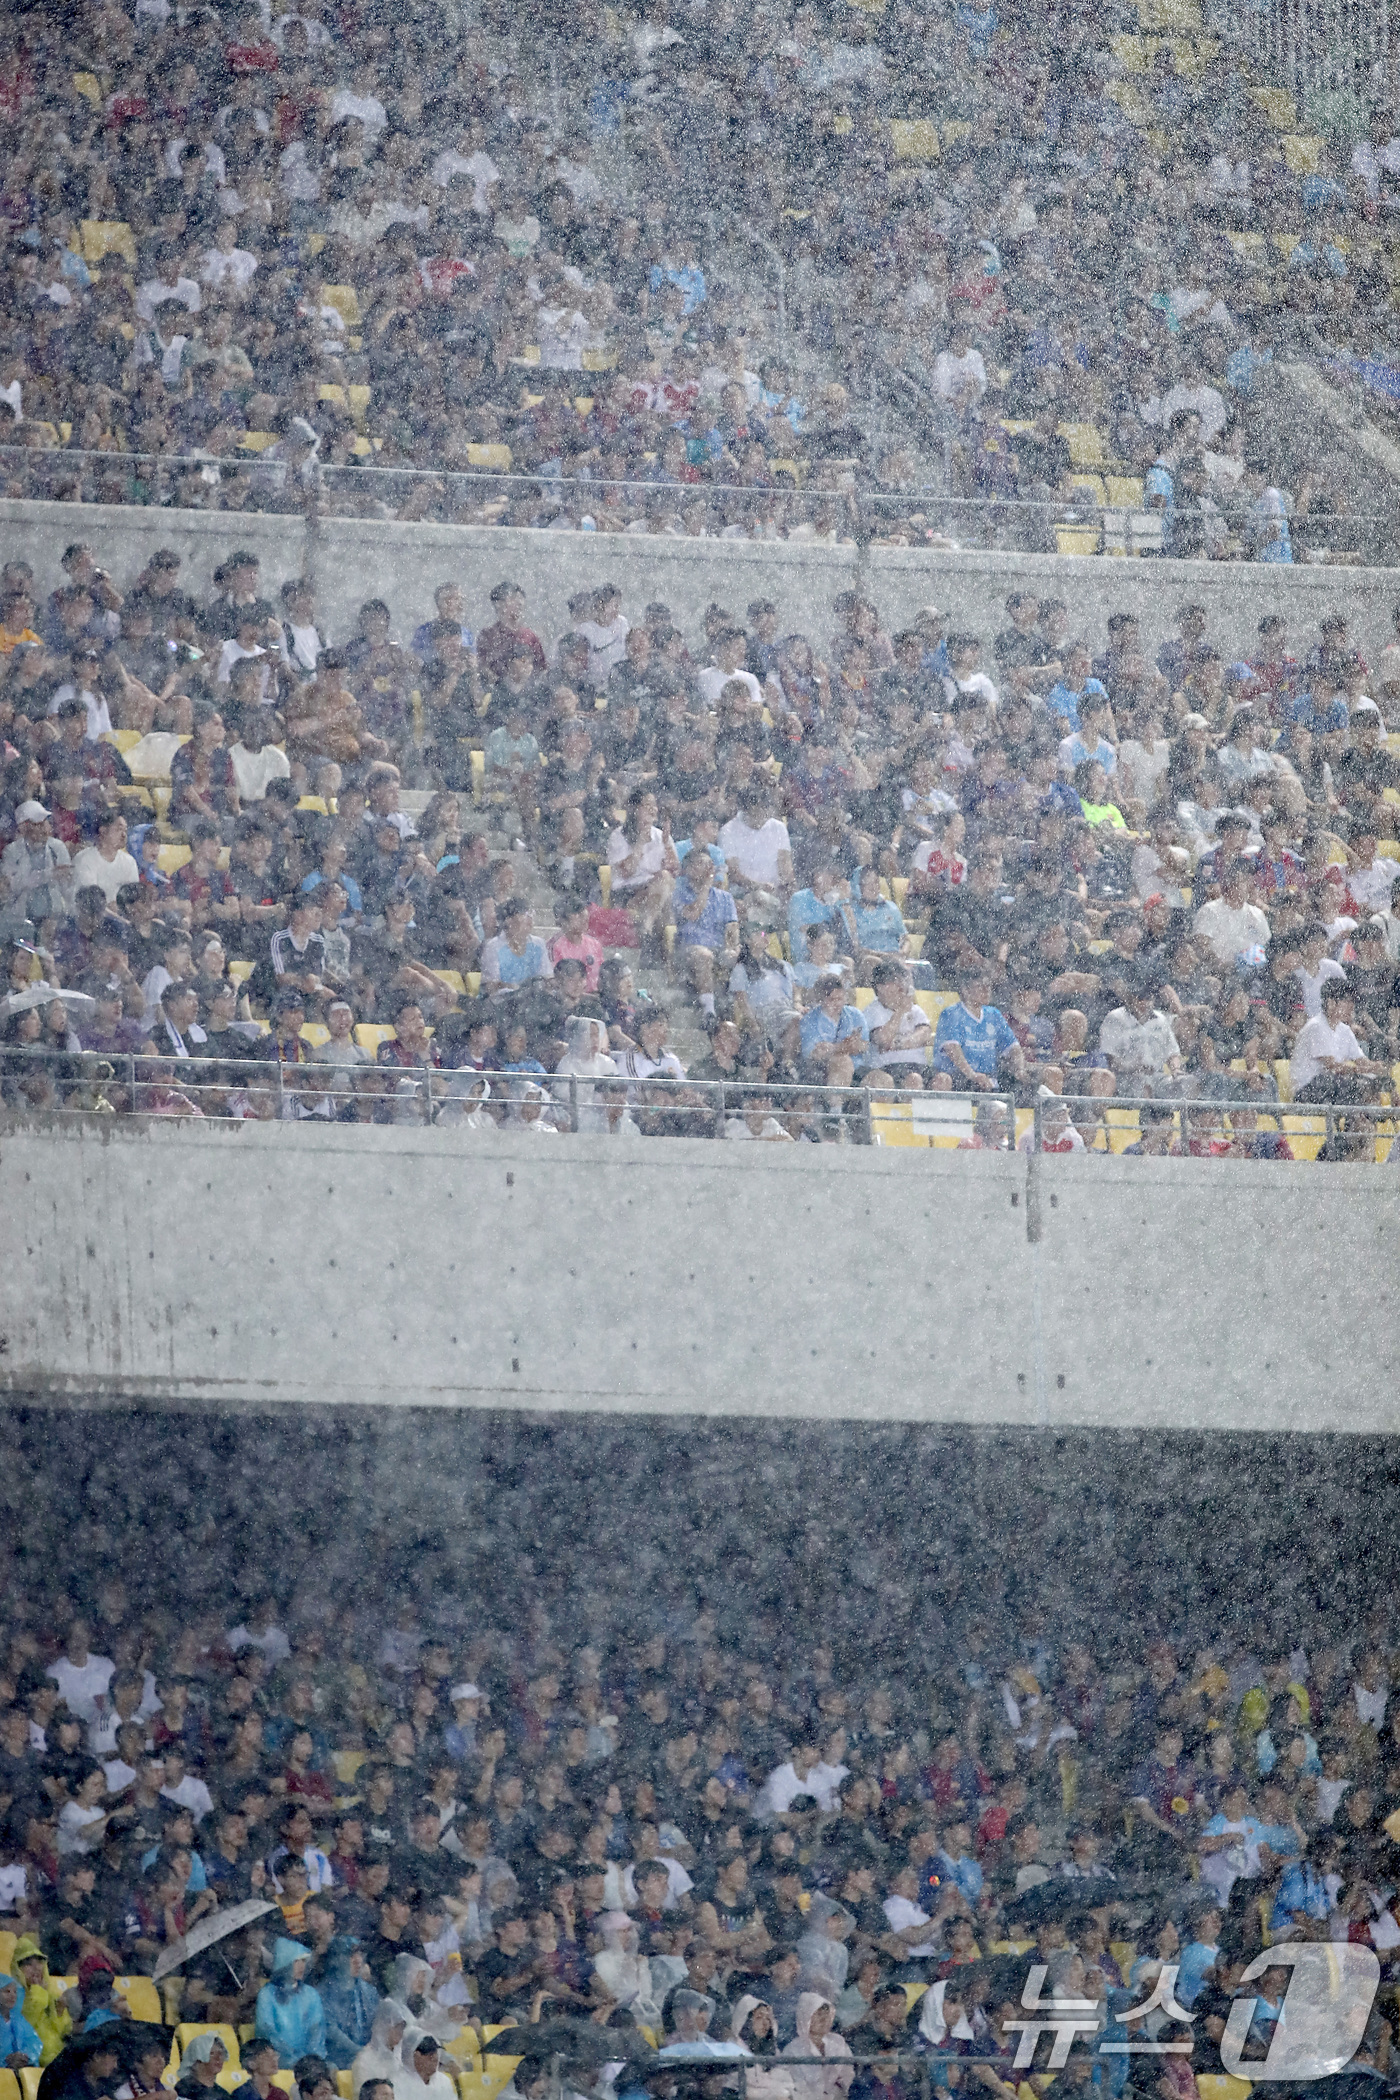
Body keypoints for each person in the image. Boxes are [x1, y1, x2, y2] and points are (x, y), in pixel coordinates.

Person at [256, 1940, 329, 2062]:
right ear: (284, 1962)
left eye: (304, 1961)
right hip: (278, 2060)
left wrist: (311, 2057)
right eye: (296, 1961)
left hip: (310, 2061)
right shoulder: (267, 1994)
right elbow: (266, 2031)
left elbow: (316, 2031)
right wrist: (291, 2055)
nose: (302, 1966)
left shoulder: (311, 1994)